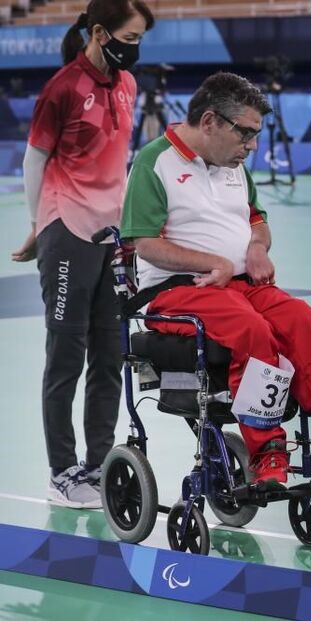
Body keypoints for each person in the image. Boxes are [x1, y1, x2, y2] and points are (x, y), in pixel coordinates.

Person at [120, 72, 311, 486]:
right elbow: (144, 243)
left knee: (300, 318)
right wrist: (211, 262)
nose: (252, 146)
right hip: (179, 291)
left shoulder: (233, 165)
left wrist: (256, 248)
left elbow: (258, 221)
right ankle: (267, 450)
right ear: (210, 122)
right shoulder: (155, 162)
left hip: (241, 286)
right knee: (250, 329)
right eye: (246, 134)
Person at [9, 0, 154, 509]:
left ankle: (98, 463)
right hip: (66, 229)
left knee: (110, 355)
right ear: (99, 32)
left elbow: (119, 161)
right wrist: (38, 226)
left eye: (139, 40)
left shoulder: (129, 86)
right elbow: (34, 159)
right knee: (66, 354)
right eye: (129, 39)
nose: (135, 49)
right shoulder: (63, 88)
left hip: (110, 236)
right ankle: (61, 471)